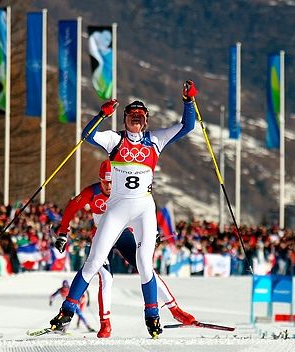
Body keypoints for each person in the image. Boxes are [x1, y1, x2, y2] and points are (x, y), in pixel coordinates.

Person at [50, 80, 197, 338]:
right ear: (125, 119)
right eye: (132, 117)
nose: (136, 121)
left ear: (146, 121)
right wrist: (101, 115)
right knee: (94, 261)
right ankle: (67, 311)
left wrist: (188, 102)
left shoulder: (155, 140)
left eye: (140, 117)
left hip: (143, 210)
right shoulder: (114, 139)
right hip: (116, 209)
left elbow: (188, 126)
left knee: (144, 264)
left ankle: (153, 315)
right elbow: (88, 135)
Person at [54, 160, 196, 338]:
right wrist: (62, 232)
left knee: (146, 270)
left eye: (112, 181)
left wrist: (153, 232)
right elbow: (71, 207)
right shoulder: (92, 191)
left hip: (123, 236)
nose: (109, 186)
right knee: (105, 277)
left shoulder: (127, 190)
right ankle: (105, 324)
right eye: (105, 182)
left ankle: (175, 310)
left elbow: (144, 210)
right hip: (101, 236)